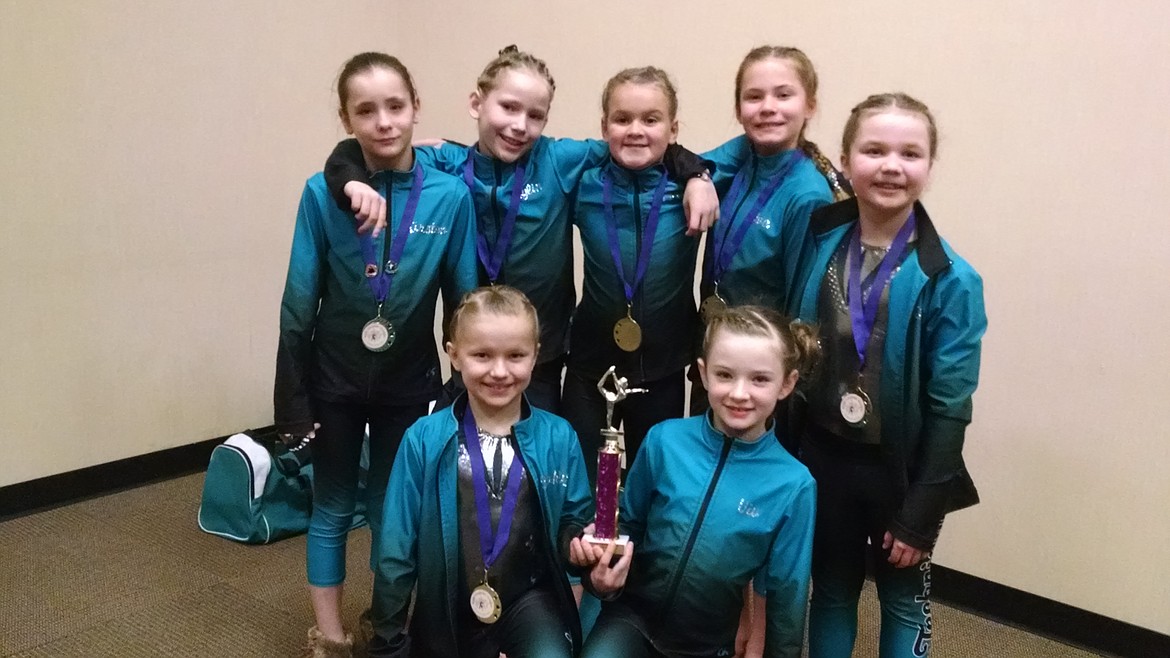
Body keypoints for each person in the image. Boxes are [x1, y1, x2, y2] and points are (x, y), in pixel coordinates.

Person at [320, 46, 719, 413]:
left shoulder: (560, 160)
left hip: (541, 361)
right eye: (508, 108)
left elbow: (639, 144)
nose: (519, 126)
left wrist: (697, 174)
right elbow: (356, 150)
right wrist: (350, 178)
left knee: (539, 466)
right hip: (472, 360)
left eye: (535, 116)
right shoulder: (447, 163)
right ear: (477, 103)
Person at [274, 52, 478, 657]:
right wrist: (291, 400)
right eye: (366, 110)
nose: (384, 121)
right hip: (332, 379)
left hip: (408, 384)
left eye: (395, 105)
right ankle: (330, 636)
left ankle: (387, 623)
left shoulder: (448, 197)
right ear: (346, 118)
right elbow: (295, 305)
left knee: (395, 514)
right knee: (332, 506)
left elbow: (463, 300)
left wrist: (461, 383)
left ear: (416, 107)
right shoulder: (321, 192)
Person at [786, 92, 987, 658]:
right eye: (874, 150)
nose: (891, 166)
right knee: (829, 592)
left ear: (929, 166)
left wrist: (922, 513)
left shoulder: (951, 279)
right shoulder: (819, 237)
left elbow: (951, 407)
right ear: (847, 160)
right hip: (822, 454)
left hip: (898, 471)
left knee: (902, 602)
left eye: (910, 153)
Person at [367, 286, 626, 658]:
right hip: (446, 603)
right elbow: (396, 547)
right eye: (482, 355)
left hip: (530, 598)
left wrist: (581, 550)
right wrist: (388, 639)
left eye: (516, 355)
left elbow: (573, 521)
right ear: (454, 355)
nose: (499, 371)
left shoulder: (559, 437)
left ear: (536, 355)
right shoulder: (424, 439)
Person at [571, 305, 819, 658]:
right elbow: (627, 527)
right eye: (724, 375)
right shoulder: (664, 441)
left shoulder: (794, 486)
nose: (739, 393)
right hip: (631, 620)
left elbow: (787, 597)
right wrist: (601, 578)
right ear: (703, 374)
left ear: (787, 383)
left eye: (759, 379)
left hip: (705, 644)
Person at [561, 66, 702, 482]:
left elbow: (746, 155)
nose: (635, 130)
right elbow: (524, 160)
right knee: (581, 484)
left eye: (651, 119)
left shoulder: (694, 188)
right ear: (604, 127)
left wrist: (698, 172)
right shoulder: (581, 183)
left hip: (663, 369)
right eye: (622, 119)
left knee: (650, 484)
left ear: (673, 129)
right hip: (589, 368)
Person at [691, 46, 846, 415]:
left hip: (760, 372)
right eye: (754, 97)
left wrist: (780, 385)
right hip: (717, 350)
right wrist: (696, 177)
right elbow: (686, 162)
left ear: (809, 106)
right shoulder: (742, 155)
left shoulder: (807, 196)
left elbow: (801, 309)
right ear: (738, 108)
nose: (767, 107)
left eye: (783, 94)